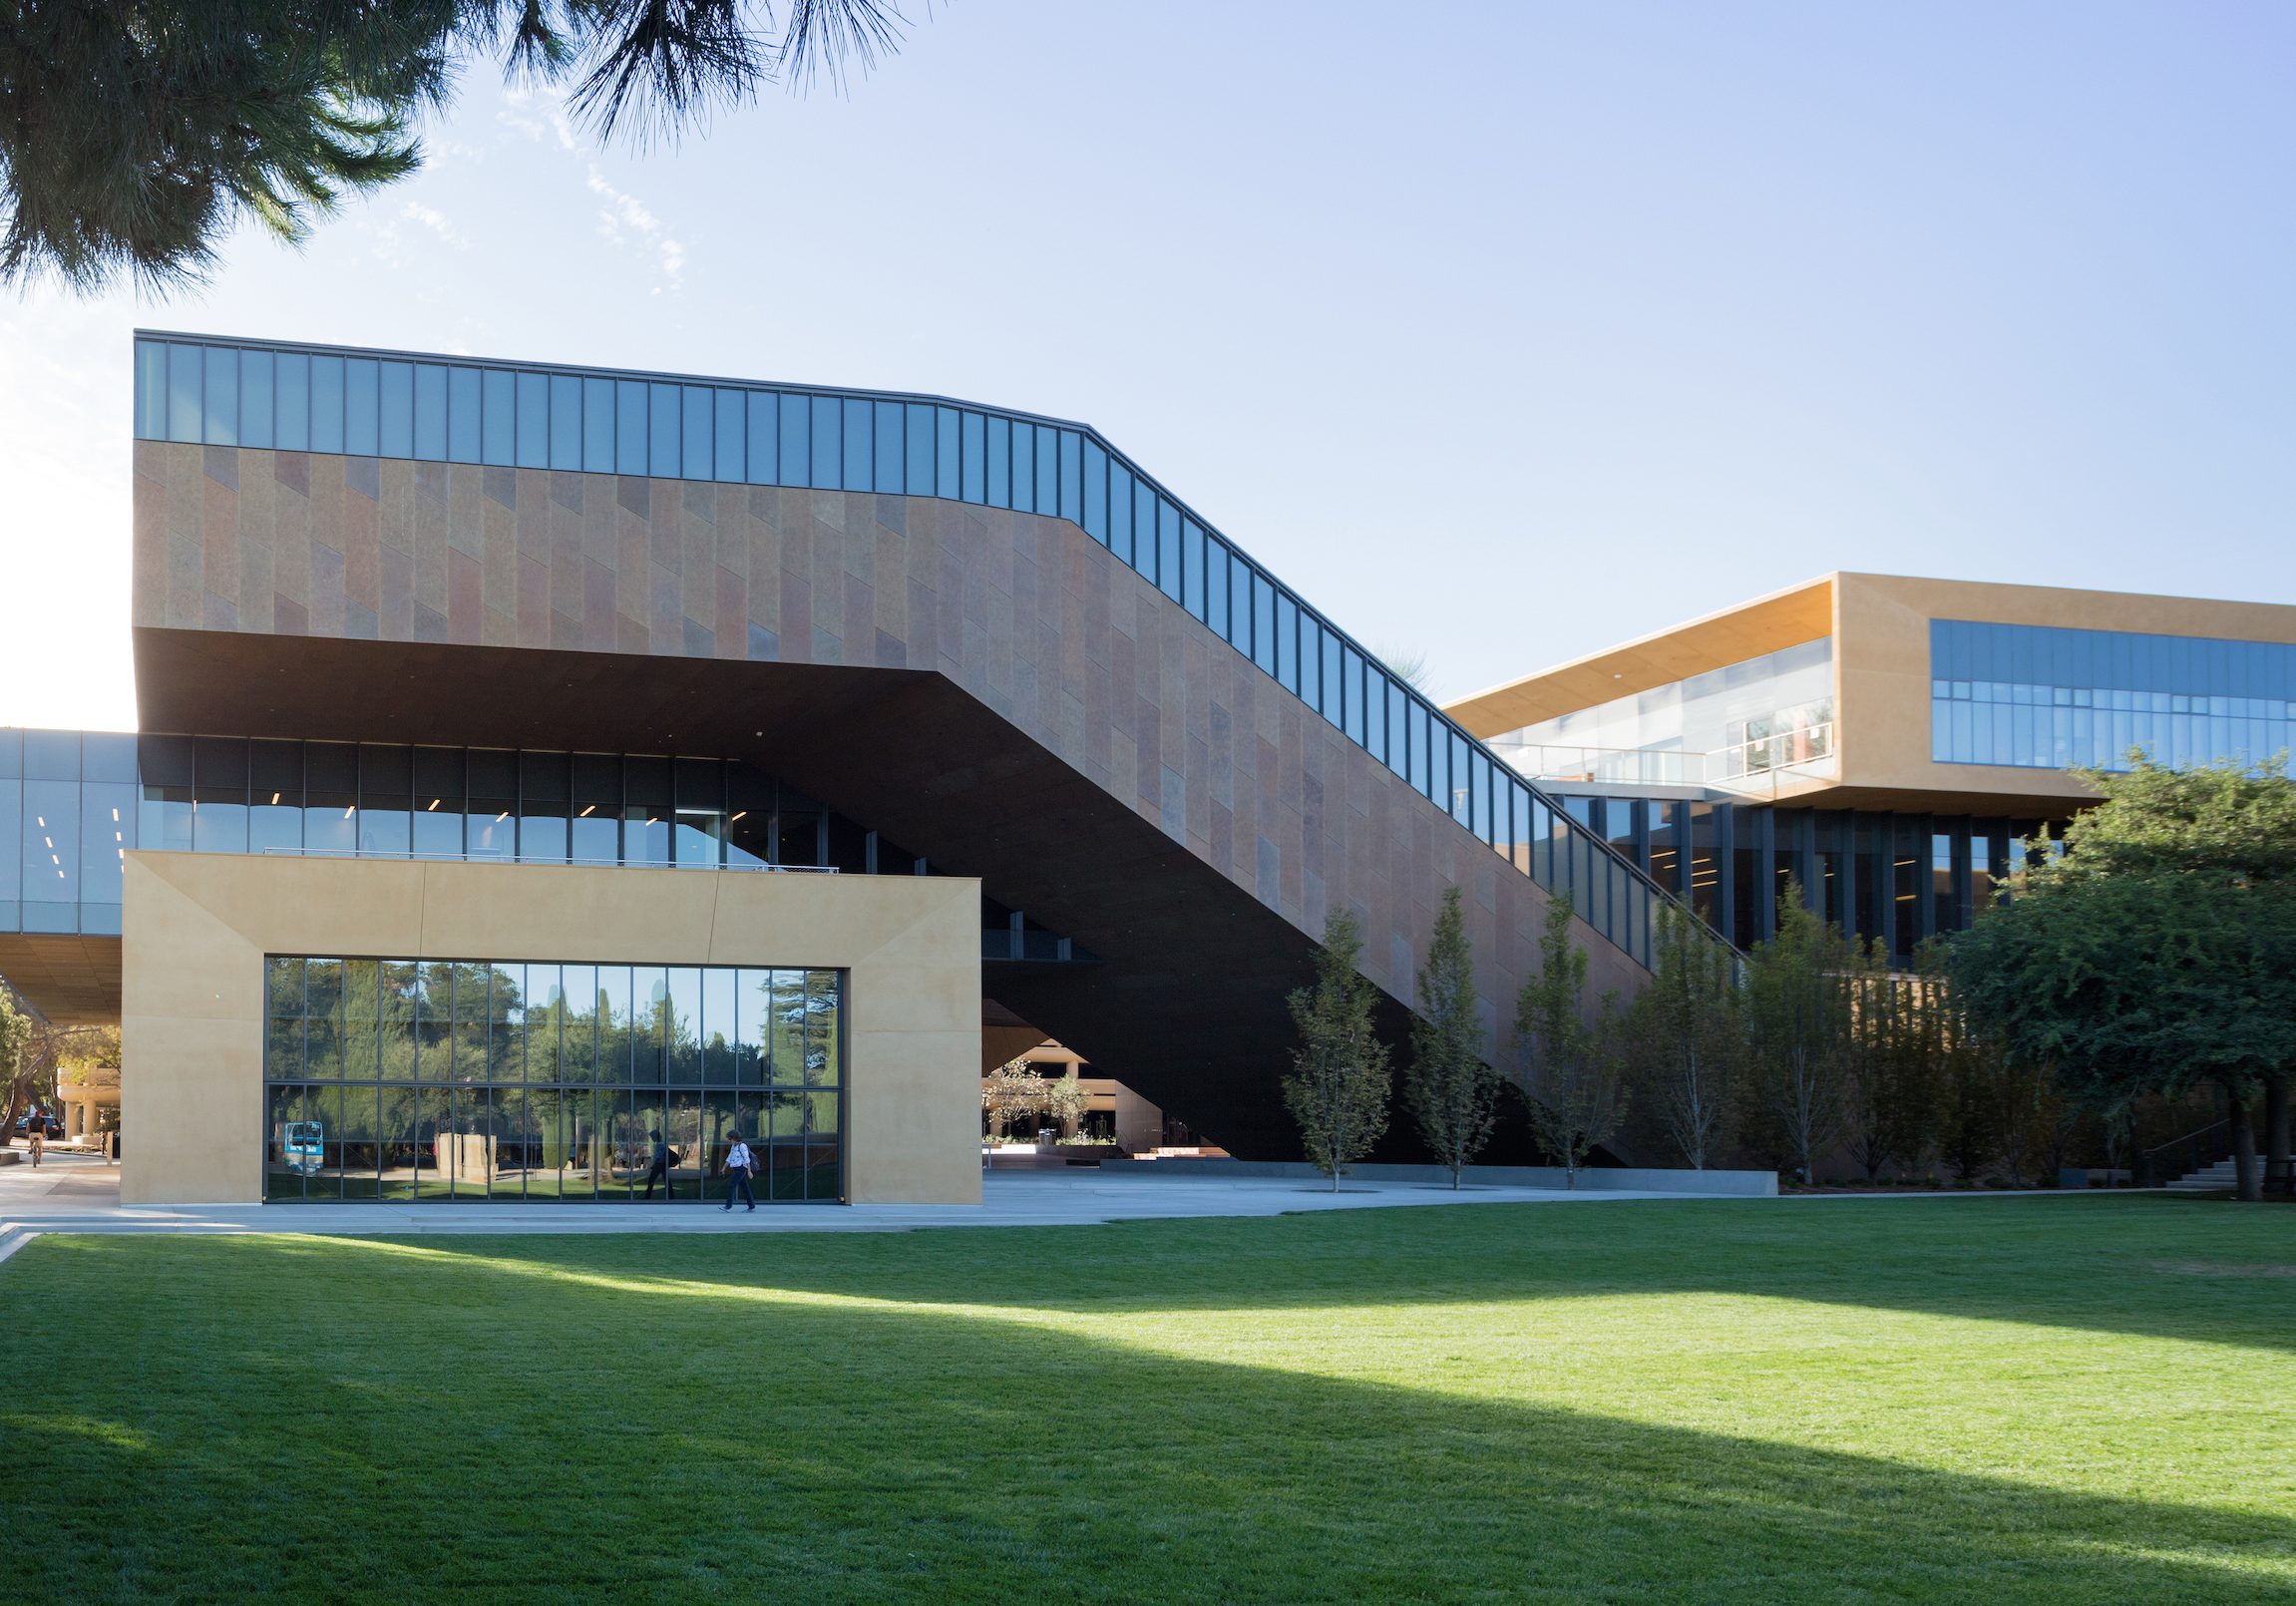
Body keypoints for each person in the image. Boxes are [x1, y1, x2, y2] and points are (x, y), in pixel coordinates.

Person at [721, 1134, 757, 1212]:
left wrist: (749, 1171)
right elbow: (729, 1158)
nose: (730, 1141)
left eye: (730, 1139)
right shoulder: (733, 1147)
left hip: (741, 1169)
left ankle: (728, 1206)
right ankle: (751, 1206)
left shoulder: (742, 1146)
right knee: (745, 1188)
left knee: (731, 1185)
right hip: (737, 1169)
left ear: (735, 1138)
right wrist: (724, 1168)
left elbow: (747, 1159)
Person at [641, 1129, 674, 1200]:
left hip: (659, 1165)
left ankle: (647, 1197)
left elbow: (660, 1156)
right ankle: (670, 1196)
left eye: (652, 1137)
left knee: (651, 1180)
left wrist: (656, 1164)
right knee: (666, 1181)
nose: (652, 1139)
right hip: (660, 1165)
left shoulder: (660, 1145)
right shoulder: (661, 1144)